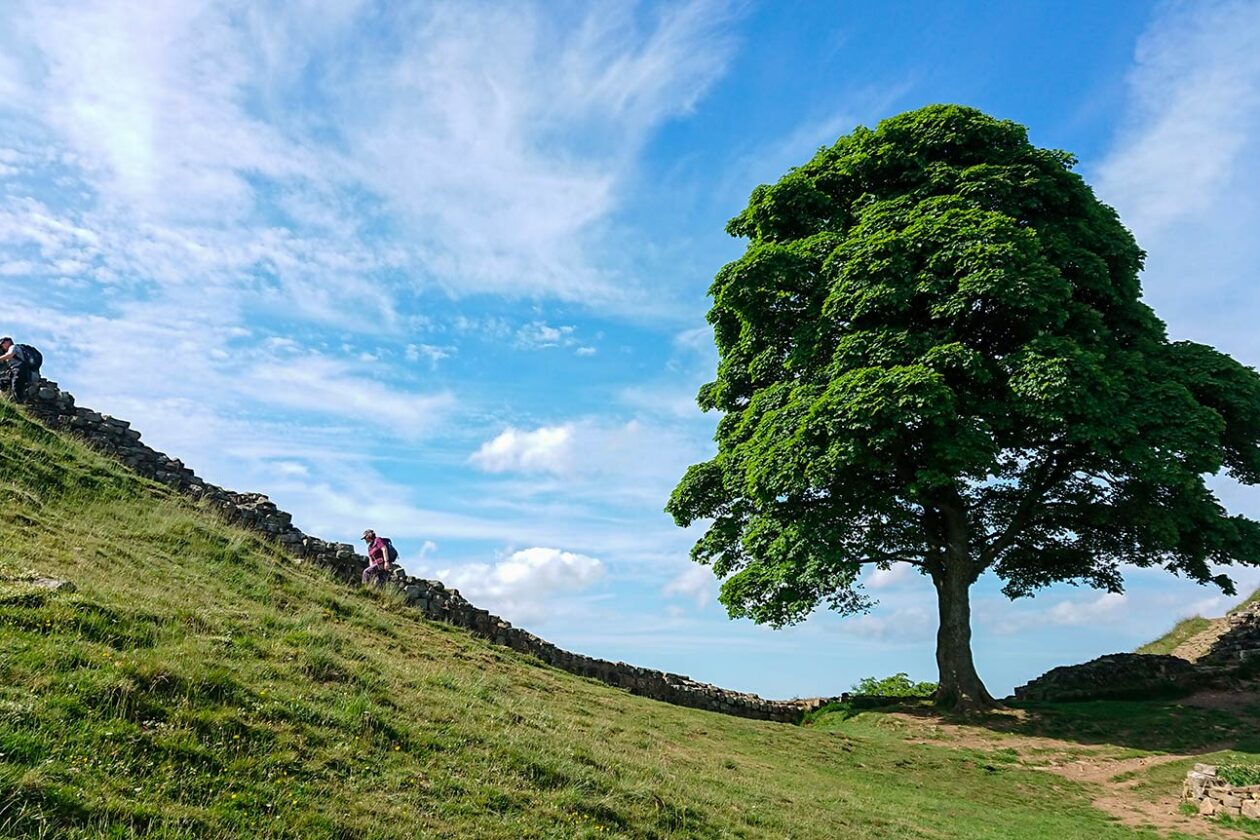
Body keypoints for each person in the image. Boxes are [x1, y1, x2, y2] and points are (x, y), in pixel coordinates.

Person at [0, 337, 43, 403]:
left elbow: (9, 355)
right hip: (19, 372)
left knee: (16, 388)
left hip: (19, 370)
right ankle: (7, 401)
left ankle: (19, 403)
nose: (2, 346)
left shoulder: (13, 347)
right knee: (2, 382)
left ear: (8, 342)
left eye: (2, 344)